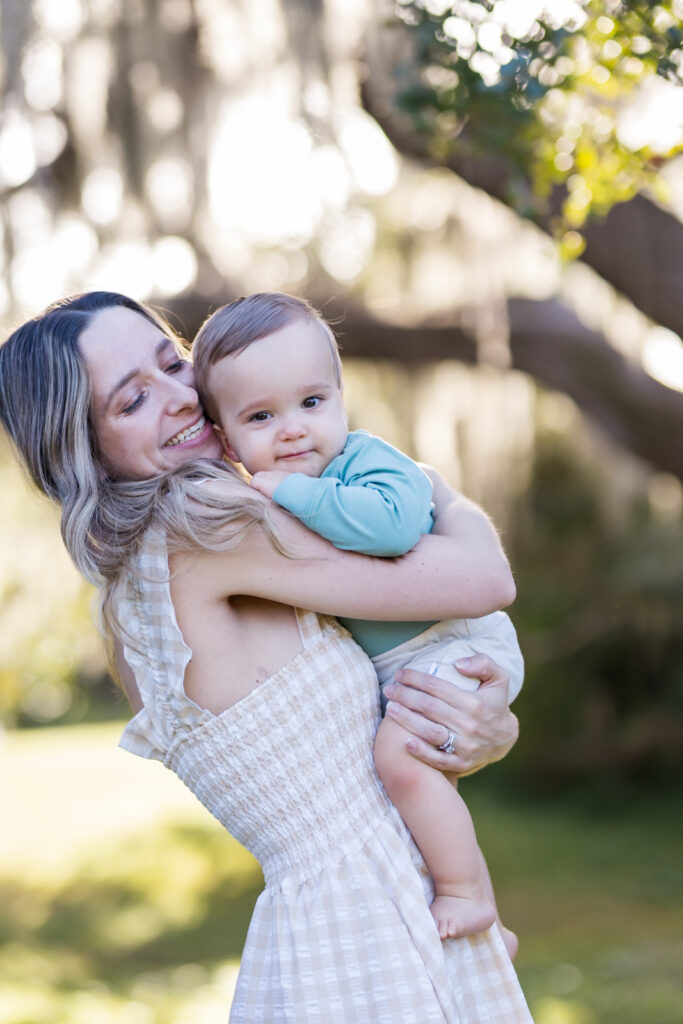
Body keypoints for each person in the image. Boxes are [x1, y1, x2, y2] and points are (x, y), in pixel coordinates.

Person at [0, 291, 532, 1023]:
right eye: (132, 400)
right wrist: (441, 491)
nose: (180, 398)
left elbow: (339, 741)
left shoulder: (133, 581)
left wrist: (478, 724)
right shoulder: (208, 529)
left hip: (329, 921)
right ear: (80, 447)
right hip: (373, 918)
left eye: (171, 363)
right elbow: (485, 579)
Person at [192, 292, 523, 951]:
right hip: (409, 656)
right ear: (227, 441)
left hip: (452, 641)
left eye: (312, 402)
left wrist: (294, 492)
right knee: (402, 783)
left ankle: (468, 893)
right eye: (261, 416)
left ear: (342, 400)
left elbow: (394, 527)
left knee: (399, 760)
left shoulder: (365, 463)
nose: (292, 429)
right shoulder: (252, 506)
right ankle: (491, 929)